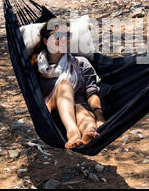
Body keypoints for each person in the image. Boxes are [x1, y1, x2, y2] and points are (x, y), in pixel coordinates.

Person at [31, 19, 105, 149]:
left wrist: (99, 117)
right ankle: (72, 132)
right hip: (52, 112)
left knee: (82, 112)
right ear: (46, 41)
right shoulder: (34, 67)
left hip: (78, 108)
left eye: (67, 36)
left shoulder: (81, 63)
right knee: (64, 84)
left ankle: (89, 133)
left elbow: (91, 93)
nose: (64, 39)